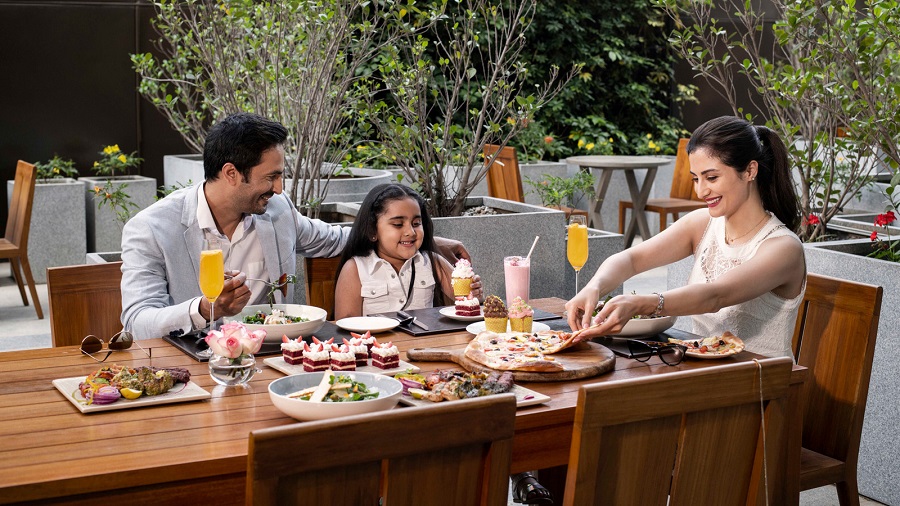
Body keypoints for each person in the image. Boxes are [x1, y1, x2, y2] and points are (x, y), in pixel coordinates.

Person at [120, 113, 470, 339]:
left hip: (276, 356)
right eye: (271, 177)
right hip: (192, 362)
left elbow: (334, 238)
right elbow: (137, 322)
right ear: (231, 173)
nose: (279, 188)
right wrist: (204, 308)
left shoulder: (277, 211)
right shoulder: (151, 229)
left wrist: (427, 241)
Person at [565, 115, 806, 358]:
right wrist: (593, 287)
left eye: (712, 177)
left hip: (762, 376)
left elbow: (715, 296)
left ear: (750, 171)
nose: (701, 191)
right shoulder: (702, 223)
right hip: (702, 369)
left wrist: (642, 303)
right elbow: (632, 259)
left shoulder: (783, 247)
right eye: (695, 178)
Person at [333, 184, 482, 319]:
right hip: (375, 341)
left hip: (426, 341)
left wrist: (474, 293)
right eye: (398, 224)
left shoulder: (431, 261)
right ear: (372, 230)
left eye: (416, 223)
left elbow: (468, 300)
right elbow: (346, 324)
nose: (411, 232)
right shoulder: (356, 269)